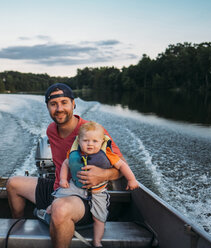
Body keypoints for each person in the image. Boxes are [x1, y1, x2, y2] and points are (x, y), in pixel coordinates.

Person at [6, 83, 124, 248]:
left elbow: (122, 167)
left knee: (60, 209)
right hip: (59, 189)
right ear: (47, 107)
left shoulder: (92, 133)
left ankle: (53, 214)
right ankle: (16, 234)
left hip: (86, 198)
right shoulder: (51, 131)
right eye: (53, 104)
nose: (59, 108)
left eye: (64, 102)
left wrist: (103, 175)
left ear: (73, 104)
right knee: (13, 184)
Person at [51, 121, 139, 247]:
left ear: (102, 141)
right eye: (85, 140)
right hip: (75, 186)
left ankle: (97, 241)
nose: (90, 144)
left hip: (98, 192)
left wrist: (131, 180)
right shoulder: (75, 152)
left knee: (99, 218)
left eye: (94, 141)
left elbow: (122, 165)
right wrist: (63, 180)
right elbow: (65, 164)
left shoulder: (107, 153)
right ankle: (51, 208)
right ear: (79, 141)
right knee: (58, 194)